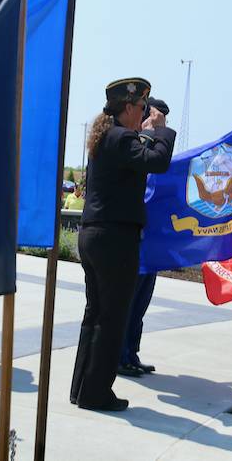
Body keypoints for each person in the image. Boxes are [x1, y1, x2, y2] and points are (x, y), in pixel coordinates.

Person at [69, 78, 175, 412]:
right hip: (115, 239)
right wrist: (161, 130)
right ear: (129, 108)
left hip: (96, 236)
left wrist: (148, 131)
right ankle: (97, 392)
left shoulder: (108, 137)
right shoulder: (120, 137)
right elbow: (157, 161)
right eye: (142, 107)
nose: (145, 112)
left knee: (95, 315)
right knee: (112, 319)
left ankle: (82, 389)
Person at [117, 97, 171, 378]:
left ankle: (131, 353)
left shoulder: (155, 150)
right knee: (127, 303)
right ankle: (120, 356)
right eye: (155, 116)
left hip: (151, 243)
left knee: (139, 305)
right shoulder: (134, 145)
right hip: (134, 239)